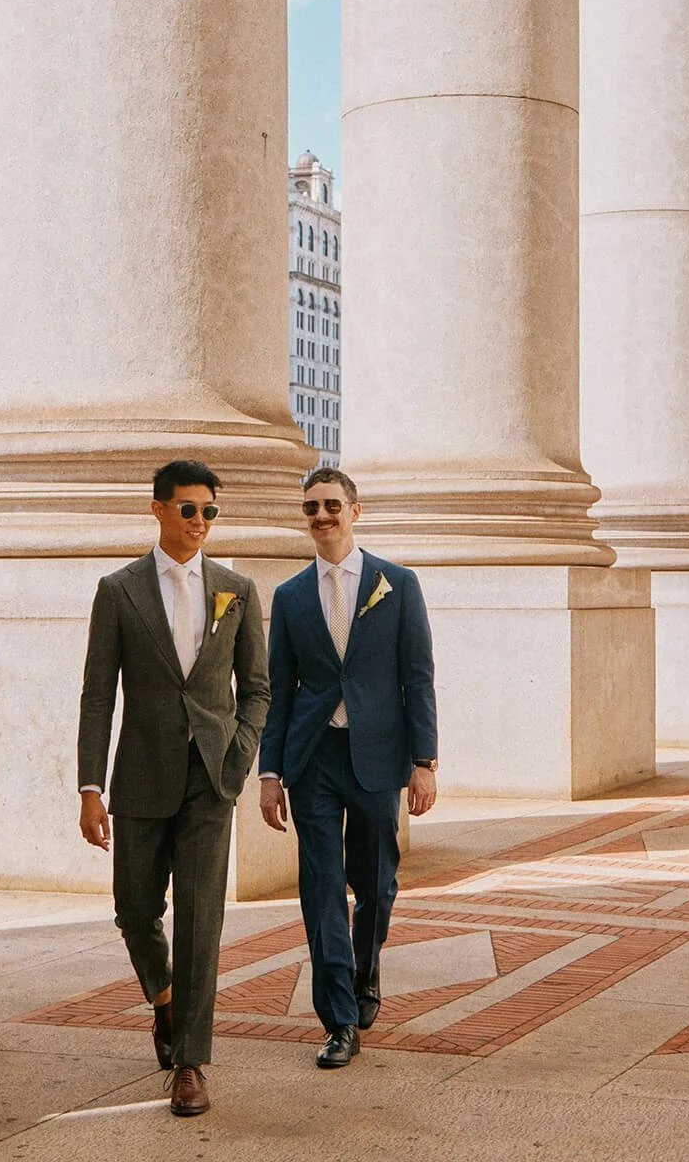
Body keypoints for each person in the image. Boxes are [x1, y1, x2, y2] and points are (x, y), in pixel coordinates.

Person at [77, 459, 269, 1118]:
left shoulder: (237, 590)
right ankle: (163, 999)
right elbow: (98, 695)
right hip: (138, 776)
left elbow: (257, 688)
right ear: (158, 509)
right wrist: (90, 786)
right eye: (188, 509)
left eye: (210, 511)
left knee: (200, 917)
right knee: (134, 910)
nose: (200, 522)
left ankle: (189, 1063)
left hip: (211, 778)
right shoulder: (119, 591)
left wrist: (239, 756)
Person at [259, 466, 438, 1069]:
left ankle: (367, 970)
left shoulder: (398, 584)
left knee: (377, 883)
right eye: (312, 507)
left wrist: (424, 762)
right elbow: (279, 692)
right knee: (322, 889)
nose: (322, 516)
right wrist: (269, 773)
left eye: (332, 505)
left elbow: (418, 678)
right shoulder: (289, 596)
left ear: (355, 511)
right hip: (313, 759)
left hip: (379, 757)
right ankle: (338, 1019)